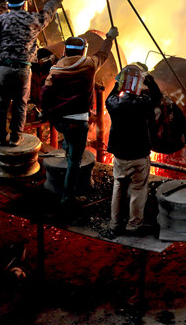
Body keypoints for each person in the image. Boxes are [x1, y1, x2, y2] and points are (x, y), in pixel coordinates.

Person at [41, 28, 118, 207]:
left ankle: (67, 149)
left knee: (68, 140)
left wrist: (47, 113)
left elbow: (45, 93)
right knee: (75, 161)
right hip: (78, 121)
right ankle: (68, 196)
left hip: (60, 121)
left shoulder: (56, 69)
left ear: (65, 51)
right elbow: (104, 53)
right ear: (83, 51)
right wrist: (109, 38)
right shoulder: (90, 64)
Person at [0, 0, 62, 146]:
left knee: (1, 104)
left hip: (4, 68)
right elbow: (48, 13)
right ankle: (16, 137)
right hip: (23, 69)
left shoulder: (1, 20)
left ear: (8, 5)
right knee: (20, 104)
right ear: (25, 3)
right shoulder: (33, 19)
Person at [106, 62, 162, 236]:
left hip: (120, 156)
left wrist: (118, 82)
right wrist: (148, 78)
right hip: (139, 155)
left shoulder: (113, 103)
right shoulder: (143, 103)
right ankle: (134, 224)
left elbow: (111, 95)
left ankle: (115, 224)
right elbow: (157, 97)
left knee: (118, 187)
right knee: (138, 190)